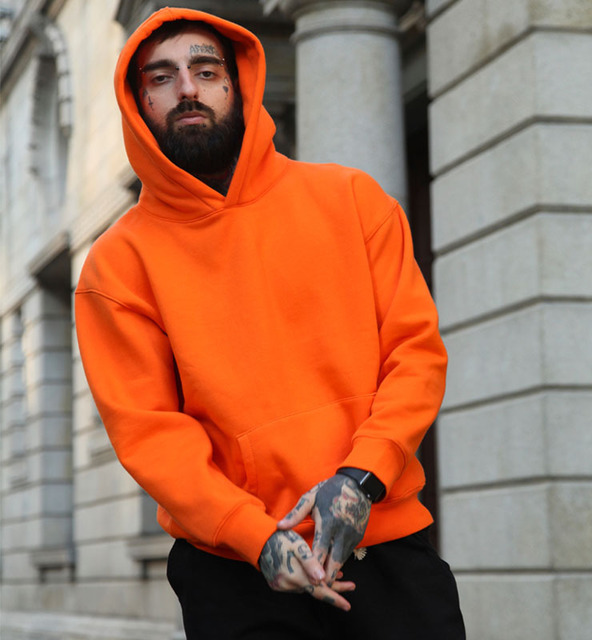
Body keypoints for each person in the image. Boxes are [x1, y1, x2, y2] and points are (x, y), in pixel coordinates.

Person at [75, 7, 465, 639]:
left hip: (386, 547)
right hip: (235, 572)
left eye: (206, 71)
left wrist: (362, 478)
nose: (188, 90)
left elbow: (415, 355)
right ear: (138, 102)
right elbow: (150, 436)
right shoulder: (117, 266)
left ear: (240, 83)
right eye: (162, 78)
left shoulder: (352, 200)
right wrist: (255, 536)